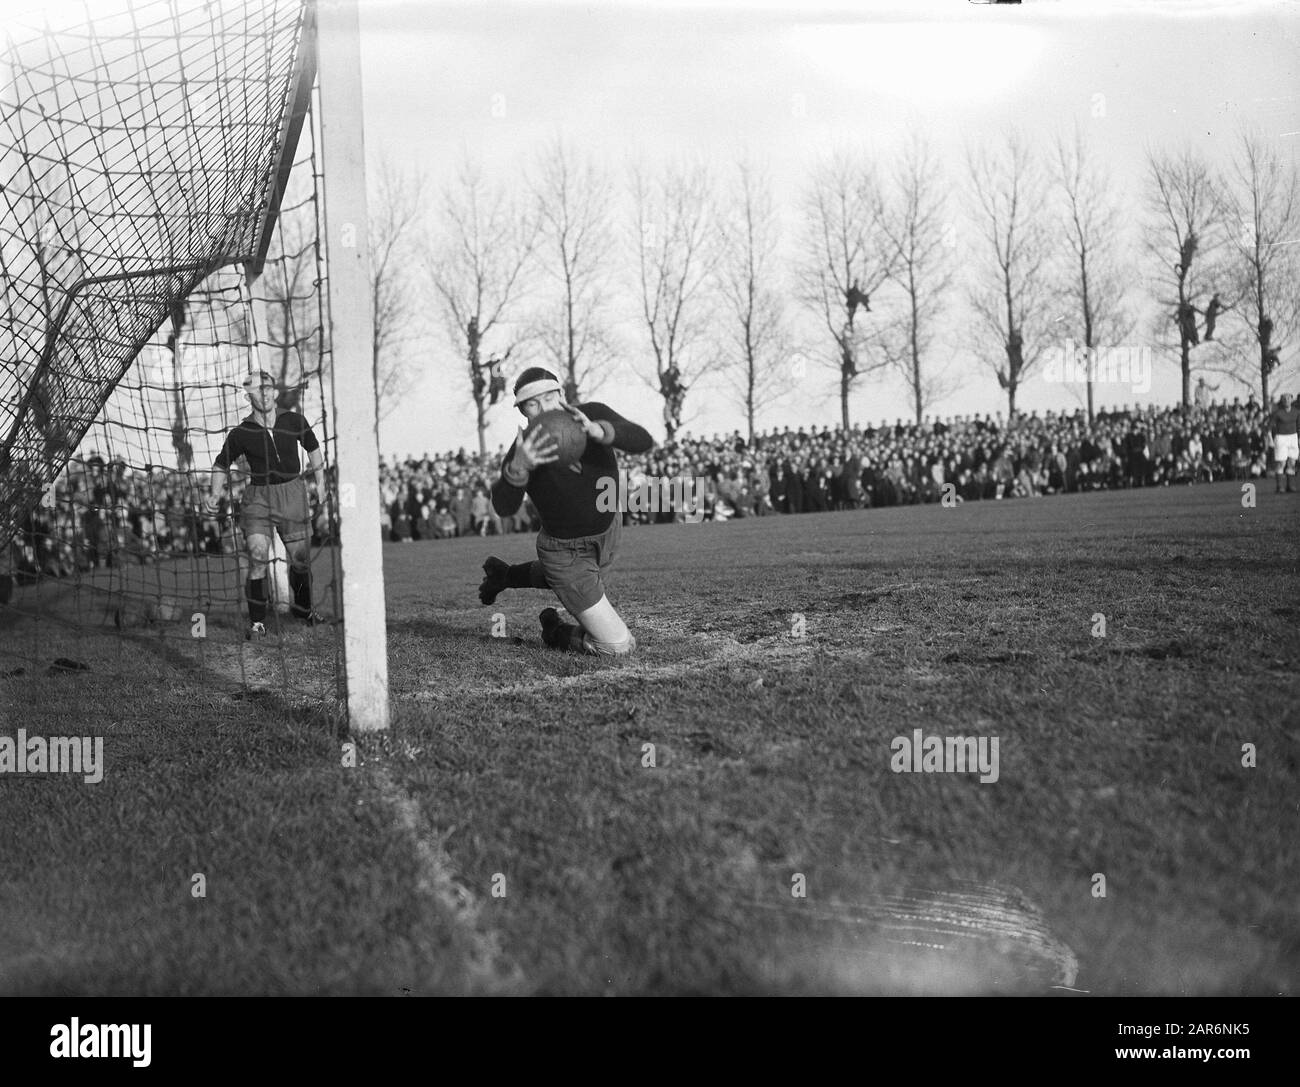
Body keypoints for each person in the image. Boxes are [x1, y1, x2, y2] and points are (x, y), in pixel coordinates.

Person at [477, 366, 653, 656]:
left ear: (562, 395)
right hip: (564, 552)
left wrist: (601, 431)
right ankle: (555, 630)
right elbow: (503, 506)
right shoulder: (524, 449)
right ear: (523, 412)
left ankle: (505, 576)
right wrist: (517, 468)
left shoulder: (591, 413)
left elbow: (642, 439)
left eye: (549, 398)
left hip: (608, 530)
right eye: (532, 404)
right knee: (618, 646)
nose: (543, 408)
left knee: (586, 574)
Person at [203, 370, 326, 637]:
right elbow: (220, 464)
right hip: (258, 497)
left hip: (293, 493)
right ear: (248, 395)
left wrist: (322, 483)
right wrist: (214, 493)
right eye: (259, 389)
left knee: (301, 559)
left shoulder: (294, 420)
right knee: (258, 556)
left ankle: (303, 609)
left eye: (268, 387)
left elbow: (313, 449)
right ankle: (257, 622)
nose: (266, 392)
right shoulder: (241, 432)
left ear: (274, 390)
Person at [1267, 392, 1299, 493]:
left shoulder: (1297, 412)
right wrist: (1270, 440)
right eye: (1284, 399)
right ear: (1282, 400)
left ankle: (1290, 486)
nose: (1286, 400)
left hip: (1293, 437)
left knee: (1292, 462)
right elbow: (1269, 427)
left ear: (1291, 399)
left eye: (1288, 398)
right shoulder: (1277, 413)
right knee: (1281, 462)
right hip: (1281, 438)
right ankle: (1280, 486)